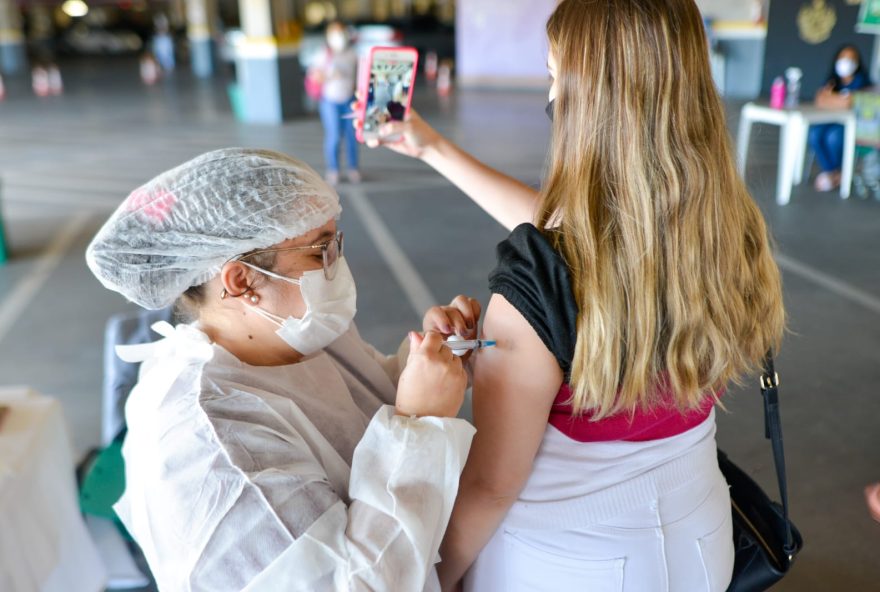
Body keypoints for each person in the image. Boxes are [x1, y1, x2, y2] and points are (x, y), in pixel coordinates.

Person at [361, 0, 786, 590]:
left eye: (556, 76)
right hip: (702, 537)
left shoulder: (540, 283)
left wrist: (433, 579)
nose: (553, 95)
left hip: (568, 561)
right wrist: (431, 147)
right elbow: (580, 237)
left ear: (591, 99)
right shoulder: (721, 230)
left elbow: (491, 487)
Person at [85, 147, 482, 591]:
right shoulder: (213, 448)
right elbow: (355, 584)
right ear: (241, 281)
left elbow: (361, 403)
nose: (337, 268)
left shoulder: (297, 332)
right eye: (319, 253)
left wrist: (421, 364)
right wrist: (418, 425)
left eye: (337, 244)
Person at [809, 44, 870, 192]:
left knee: (833, 137)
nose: (846, 62)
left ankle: (835, 174)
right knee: (814, 134)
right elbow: (819, 99)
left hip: (852, 125)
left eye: (850, 59)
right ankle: (834, 173)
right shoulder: (833, 80)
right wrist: (838, 99)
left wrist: (830, 98)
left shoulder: (861, 82)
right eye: (843, 58)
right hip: (829, 120)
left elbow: (848, 103)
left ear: (857, 62)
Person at [308, 21, 361, 186]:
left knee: (353, 137)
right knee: (334, 137)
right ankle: (334, 169)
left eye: (341, 32)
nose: (339, 37)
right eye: (335, 33)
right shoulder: (323, 54)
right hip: (330, 102)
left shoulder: (352, 54)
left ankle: (353, 168)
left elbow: (358, 77)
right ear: (329, 36)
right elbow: (314, 77)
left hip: (350, 100)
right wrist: (330, 76)